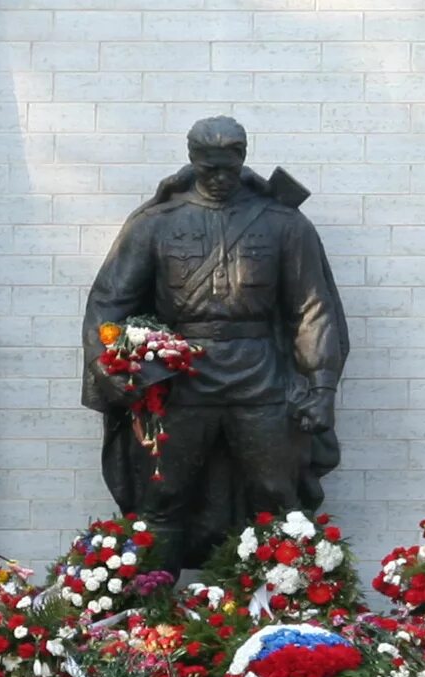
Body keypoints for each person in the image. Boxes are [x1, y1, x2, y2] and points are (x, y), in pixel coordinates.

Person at [81, 115, 349, 571]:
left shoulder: (283, 223)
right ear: (192, 162)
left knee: (277, 494)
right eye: (209, 170)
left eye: (227, 167)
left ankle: (295, 613)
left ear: (242, 158)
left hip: (260, 373)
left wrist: (321, 386)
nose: (219, 179)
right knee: (163, 496)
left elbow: (313, 308)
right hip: (181, 378)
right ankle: (148, 619)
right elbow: (109, 301)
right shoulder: (156, 223)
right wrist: (114, 368)